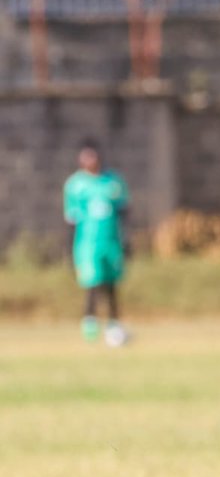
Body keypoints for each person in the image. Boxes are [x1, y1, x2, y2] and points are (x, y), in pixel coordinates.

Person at [63, 139, 131, 347]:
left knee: (111, 283)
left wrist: (127, 241)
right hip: (87, 243)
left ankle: (113, 323)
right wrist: (68, 249)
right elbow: (71, 219)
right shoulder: (75, 185)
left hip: (111, 241)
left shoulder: (113, 182)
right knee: (92, 281)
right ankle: (90, 322)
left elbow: (124, 212)